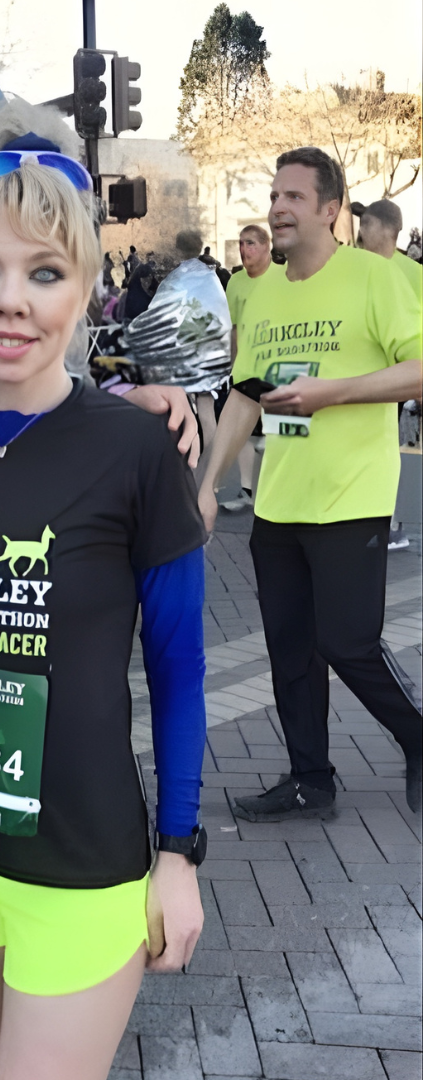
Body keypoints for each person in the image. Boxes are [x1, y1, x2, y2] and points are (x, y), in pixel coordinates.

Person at [0, 152, 207, 1080]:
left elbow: (180, 667)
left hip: (81, 866)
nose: (9, 302)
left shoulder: (136, 446)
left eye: (45, 273)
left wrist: (179, 853)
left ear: (87, 292)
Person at [197, 146, 423, 822]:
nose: (277, 207)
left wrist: (337, 393)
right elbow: (243, 397)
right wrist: (207, 485)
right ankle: (309, 780)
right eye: (274, 195)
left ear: (331, 210)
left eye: (293, 197)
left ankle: (417, 738)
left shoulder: (372, 278)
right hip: (279, 503)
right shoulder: (264, 291)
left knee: (346, 642)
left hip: (351, 497)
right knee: (290, 650)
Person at [357, 199, 422, 550]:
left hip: (395, 381)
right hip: (358, 380)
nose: (360, 232)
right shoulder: (354, 268)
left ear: (384, 229)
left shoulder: (412, 272)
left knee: (386, 449)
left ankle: (391, 522)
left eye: (365, 224)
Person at [219, 224, 284, 512]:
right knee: (244, 434)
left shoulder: (284, 278)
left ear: (266, 246)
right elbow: (233, 327)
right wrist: (232, 364)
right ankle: (247, 491)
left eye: (251, 243)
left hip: (279, 369)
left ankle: (279, 494)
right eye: (242, 243)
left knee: (282, 433)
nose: (244, 249)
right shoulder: (235, 282)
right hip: (246, 368)